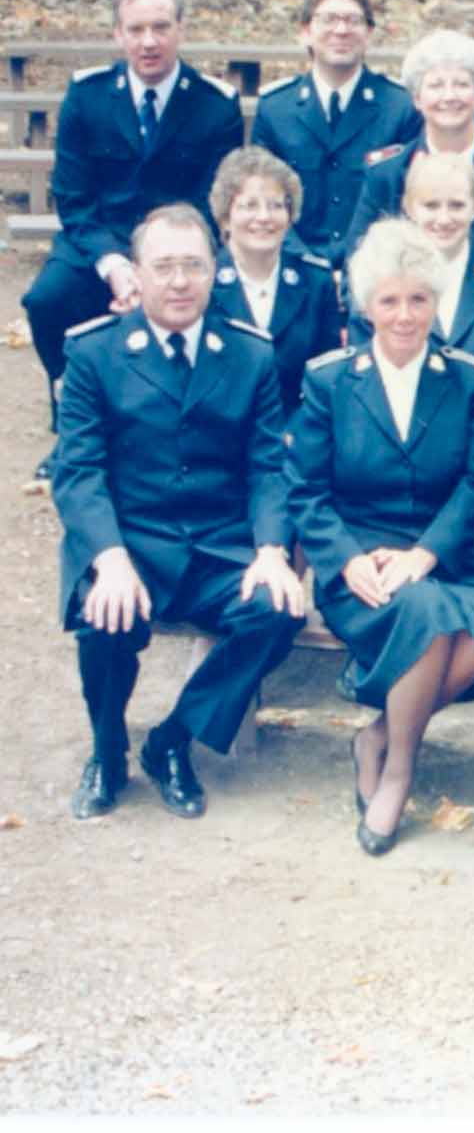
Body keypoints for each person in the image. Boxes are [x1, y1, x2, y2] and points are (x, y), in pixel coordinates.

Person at [52, 204, 306, 821]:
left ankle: (172, 741)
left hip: (219, 546)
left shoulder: (248, 353)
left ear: (214, 271)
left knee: (278, 608)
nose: (179, 281)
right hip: (132, 543)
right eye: (163, 266)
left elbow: (268, 467)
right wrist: (109, 560)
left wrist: (271, 551)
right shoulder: (94, 353)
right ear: (136, 274)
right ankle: (108, 751)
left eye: (193, 266)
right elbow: (78, 472)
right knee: (103, 617)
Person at [288, 219, 474, 856]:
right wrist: (346, 560)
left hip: (442, 557)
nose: (405, 315)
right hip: (361, 569)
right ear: (365, 306)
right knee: (428, 613)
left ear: (436, 301)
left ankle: (377, 736)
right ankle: (400, 774)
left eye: (418, 299)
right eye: (390, 301)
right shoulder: (329, 380)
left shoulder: (467, 378)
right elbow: (305, 491)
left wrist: (426, 553)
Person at [25, 0, 243, 474]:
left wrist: (156, 266)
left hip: (179, 244)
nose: (149, 42)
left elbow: (211, 203)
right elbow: (74, 198)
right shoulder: (87, 95)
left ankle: (179, 429)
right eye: (136, 29)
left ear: (181, 29)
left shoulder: (215, 104)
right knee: (47, 300)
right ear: (117, 33)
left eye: (161, 27)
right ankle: (73, 428)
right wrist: (115, 265)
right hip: (98, 242)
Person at [350, 154, 474, 454]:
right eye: (431, 205)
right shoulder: (376, 286)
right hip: (391, 461)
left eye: (457, 205)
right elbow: (364, 387)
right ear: (408, 207)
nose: (444, 219)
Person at [343, 30, 474, 272]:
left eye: (461, 84)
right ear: (417, 99)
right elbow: (357, 269)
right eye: (436, 85)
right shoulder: (387, 174)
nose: (450, 96)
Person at [250, 0, 420, 259]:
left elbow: (404, 202)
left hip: (375, 263)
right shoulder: (275, 108)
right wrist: (306, 263)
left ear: (369, 33)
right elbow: (263, 196)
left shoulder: (400, 107)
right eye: (328, 19)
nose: (341, 30)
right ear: (305, 31)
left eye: (353, 20)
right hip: (292, 262)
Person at [206, 146, 344, 410]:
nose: (264, 217)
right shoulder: (205, 280)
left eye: (276, 205)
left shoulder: (316, 282)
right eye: (250, 205)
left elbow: (326, 381)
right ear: (225, 218)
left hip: (296, 429)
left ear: (290, 216)